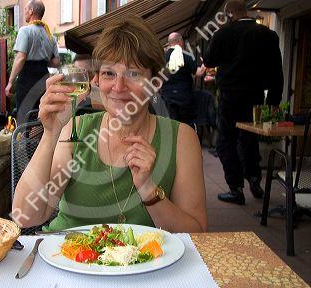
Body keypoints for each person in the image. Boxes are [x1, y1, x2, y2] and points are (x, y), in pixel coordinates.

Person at [12, 16, 207, 233]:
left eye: (133, 73)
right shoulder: (76, 130)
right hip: (68, 258)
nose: (118, 86)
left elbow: (196, 234)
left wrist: (148, 189)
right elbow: (25, 216)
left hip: (145, 266)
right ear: (97, 80)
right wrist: (50, 133)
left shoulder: (181, 138)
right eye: (109, 73)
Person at [204, 0, 283, 205]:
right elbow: (276, 71)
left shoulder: (225, 34)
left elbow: (209, 60)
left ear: (229, 14)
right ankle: (255, 179)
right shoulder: (268, 35)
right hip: (256, 95)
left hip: (230, 96)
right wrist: (274, 101)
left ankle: (235, 188)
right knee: (249, 138)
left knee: (226, 141)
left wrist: (220, 35)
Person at [5, 0, 60, 124]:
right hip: (43, 78)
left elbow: (21, 58)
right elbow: (56, 62)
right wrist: (43, 59)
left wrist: (10, 82)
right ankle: (39, 142)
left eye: (25, 10)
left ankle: (24, 143)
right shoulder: (50, 35)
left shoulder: (25, 31)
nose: (24, 13)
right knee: (41, 115)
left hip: (27, 79)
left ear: (31, 11)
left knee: (24, 115)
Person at [160, 32, 206, 127]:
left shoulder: (161, 59)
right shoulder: (186, 56)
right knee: (187, 126)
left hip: (167, 98)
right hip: (184, 98)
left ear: (169, 43)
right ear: (181, 42)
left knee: (171, 126)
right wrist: (205, 63)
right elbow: (199, 72)